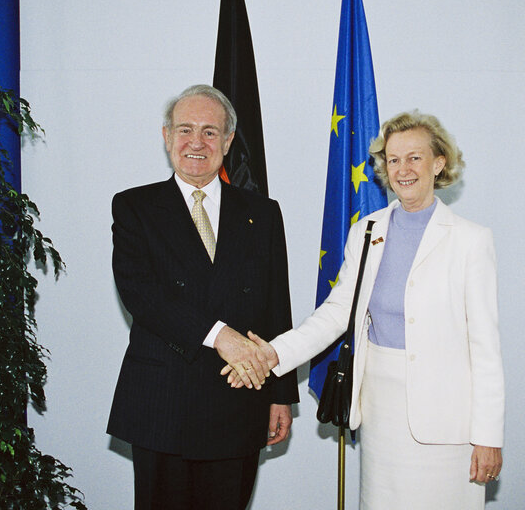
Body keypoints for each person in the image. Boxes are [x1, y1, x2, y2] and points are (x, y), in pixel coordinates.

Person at [225, 110, 504, 509]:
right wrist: (273, 354)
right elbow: (336, 314)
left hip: (449, 425)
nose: (402, 169)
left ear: (439, 162)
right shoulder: (367, 231)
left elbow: (486, 348)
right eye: (393, 159)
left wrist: (488, 436)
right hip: (381, 414)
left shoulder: (471, 241)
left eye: (414, 157)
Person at [107, 84, 298, 510]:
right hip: (163, 402)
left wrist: (280, 393)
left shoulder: (263, 213)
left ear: (228, 142)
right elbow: (141, 294)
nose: (197, 142)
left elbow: (275, 305)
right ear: (166, 135)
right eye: (185, 129)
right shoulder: (134, 207)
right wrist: (221, 336)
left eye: (210, 132)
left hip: (240, 398)